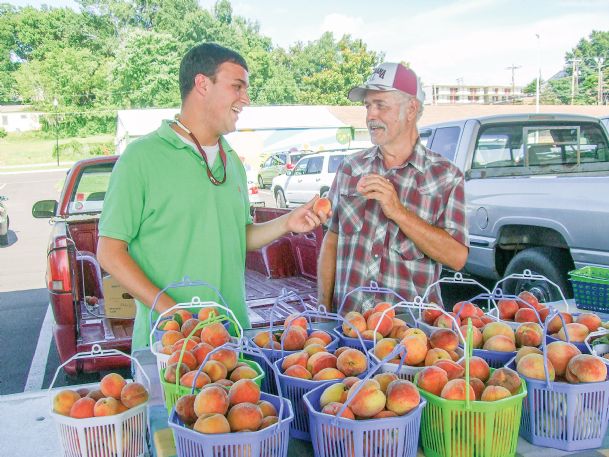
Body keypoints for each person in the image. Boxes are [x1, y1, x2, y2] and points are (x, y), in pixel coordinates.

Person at [97, 42, 328, 350]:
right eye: (237, 86)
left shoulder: (230, 160)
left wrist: (288, 222)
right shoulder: (141, 158)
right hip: (168, 347)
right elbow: (110, 252)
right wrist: (173, 314)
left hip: (232, 341)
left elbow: (238, 236)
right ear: (202, 84)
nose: (245, 99)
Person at [317, 62, 468, 314]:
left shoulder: (446, 176)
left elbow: (457, 257)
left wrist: (398, 211)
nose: (370, 116)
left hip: (414, 340)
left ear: (411, 109)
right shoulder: (350, 169)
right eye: (368, 106)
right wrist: (323, 311)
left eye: (380, 105)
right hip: (349, 333)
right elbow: (331, 242)